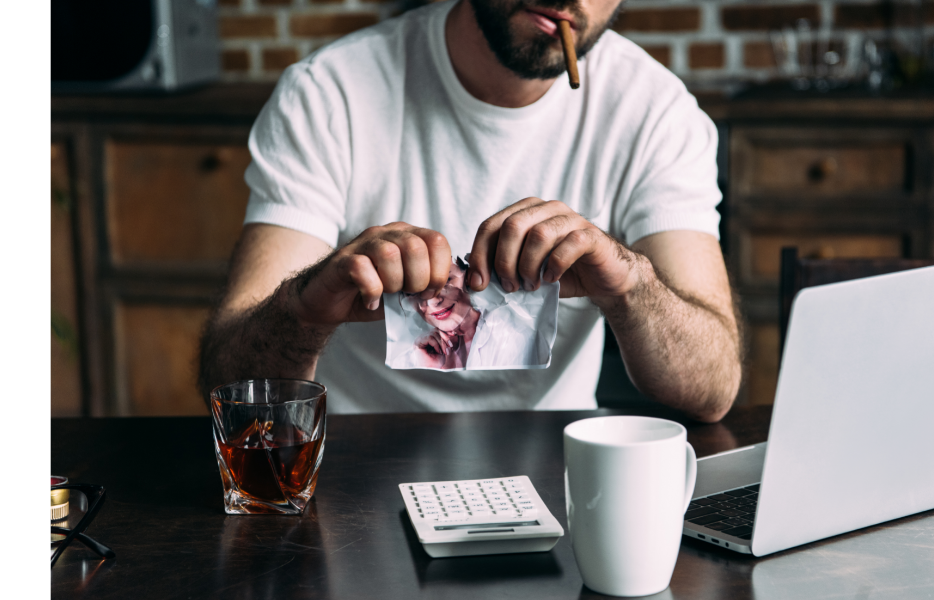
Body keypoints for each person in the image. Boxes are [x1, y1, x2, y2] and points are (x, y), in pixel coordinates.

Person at [198, 0, 743, 420]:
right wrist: (309, 304)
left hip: (555, 472)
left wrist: (628, 282)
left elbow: (712, 390)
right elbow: (227, 380)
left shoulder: (655, 111)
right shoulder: (327, 94)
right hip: (356, 473)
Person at [392, 258, 555, 370]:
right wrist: (429, 368)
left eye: (446, 281)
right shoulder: (415, 352)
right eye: (414, 293)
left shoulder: (512, 338)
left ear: (468, 278)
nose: (433, 301)